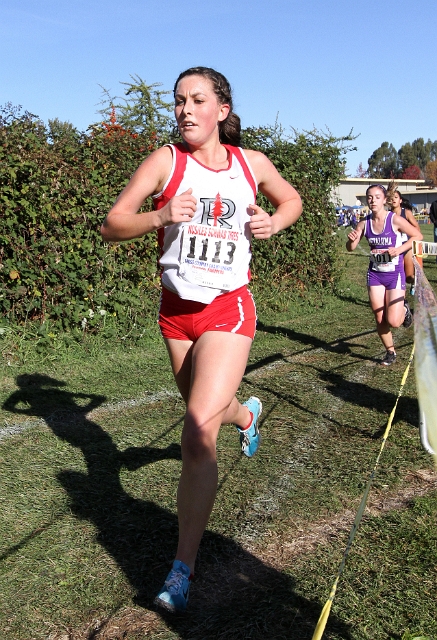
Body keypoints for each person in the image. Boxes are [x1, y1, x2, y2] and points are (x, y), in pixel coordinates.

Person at [100, 66, 302, 612]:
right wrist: (160, 215)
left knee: (194, 431)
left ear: (222, 110)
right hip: (176, 314)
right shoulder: (166, 162)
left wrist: (274, 223)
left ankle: (181, 569)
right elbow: (113, 223)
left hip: (228, 307)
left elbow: (293, 200)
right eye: (178, 101)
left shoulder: (249, 164)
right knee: (208, 410)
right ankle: (247, 414)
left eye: (197, 100)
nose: (185, 110)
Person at [346, 184, 422, 366]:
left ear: (384, 200)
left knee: (394, 321)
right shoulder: (364, 223)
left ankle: (404, 309)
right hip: (375, 275)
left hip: (394, 274)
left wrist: (399, 249)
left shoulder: (394, 219)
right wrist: (351, 241)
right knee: (380, 317)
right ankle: (390, 352)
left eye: (377, 197)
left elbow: (417, 235)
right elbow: (351, 248)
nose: (372, 201)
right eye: (369, 197)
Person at [390, 191, 422, 295]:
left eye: (396, 197)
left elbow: (416, 227)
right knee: (398, 275)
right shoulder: (388, 215)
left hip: (407, 245)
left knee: (409, 277)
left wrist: (408, 233)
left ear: (400, 200)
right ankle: (399, 298)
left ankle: (414, 283)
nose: (393, 199)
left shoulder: (406, 212)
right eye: (391, 198)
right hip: (395, 247)